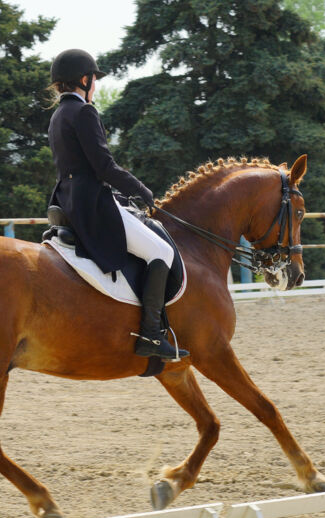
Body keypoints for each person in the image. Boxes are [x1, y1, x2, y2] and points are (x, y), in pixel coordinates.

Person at [45, 49, 188, 361]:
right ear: (85, 79)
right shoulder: (84, 113)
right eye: (93, 79)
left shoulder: (58, 115)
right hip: (92, 203)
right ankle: (151, 335)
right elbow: (103, 166)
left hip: (67, 198)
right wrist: (141, 190)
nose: (94, 86)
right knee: (161, 252)